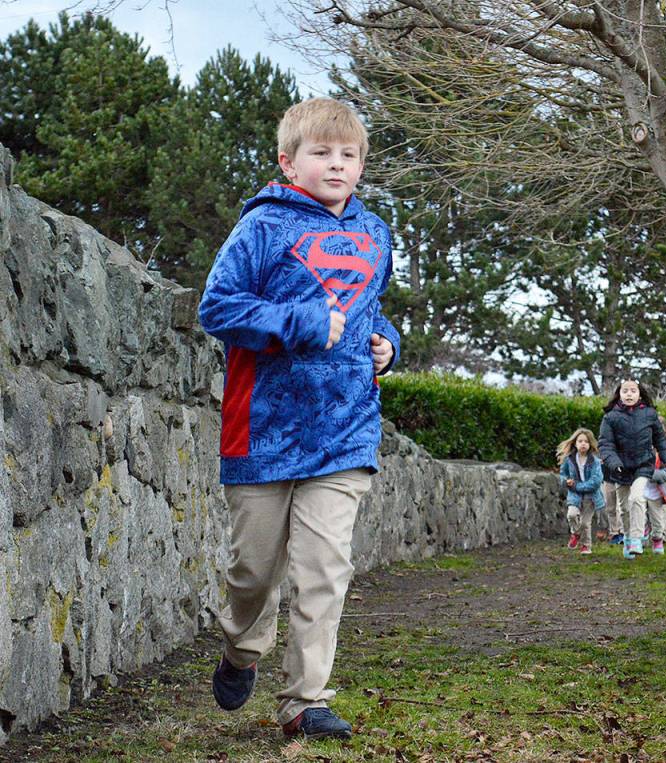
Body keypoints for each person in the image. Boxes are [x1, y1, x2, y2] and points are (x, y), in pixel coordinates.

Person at [198, 97, 401, 741]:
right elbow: (217, 307)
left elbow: (370, 309)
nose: (336, 164)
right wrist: (301, 324)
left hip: (345, 429)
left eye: (349, 154)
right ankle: (241, 647)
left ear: (362, 165)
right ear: (289, 162)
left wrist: (388, 345)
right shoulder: (261, 228)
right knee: (254, 570)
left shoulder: (376, 235)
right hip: (260, 430)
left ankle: (304, 700)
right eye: (321, 153)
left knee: (324, 568)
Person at [598, 379, 666, 560]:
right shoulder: (610, 417)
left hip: (642, 465)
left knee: (637, 497)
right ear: (619, 394)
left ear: (639, 394)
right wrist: (614, 462)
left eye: (633, 391)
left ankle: (637, 539)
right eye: (625, 391)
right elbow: (605, 444)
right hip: (620, 468)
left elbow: (660, 438)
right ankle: (628, 537)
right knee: (623, 508)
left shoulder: (649, 414)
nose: (629, 394)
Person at [556, 428, 605, 555]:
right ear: (575, 443)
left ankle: (586, 546)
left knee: (585, 522)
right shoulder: (569, 460)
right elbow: (563, 475)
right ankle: (575, 533)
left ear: (590, 444)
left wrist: (577, 486)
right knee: (571, 515)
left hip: (591, 496)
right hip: (574, 495)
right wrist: (566, 481)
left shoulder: (595, 461)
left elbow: (596, 481)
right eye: (580, 441)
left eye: (586, 441)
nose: (583, 444)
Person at [641, 415, 666, 555]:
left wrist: (652, 474)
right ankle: (640, 537)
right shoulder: (640, 446)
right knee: (639, 515)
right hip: (641, 488)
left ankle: (657, 539)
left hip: (657, 491)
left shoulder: (665, 450)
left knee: (657, 519)